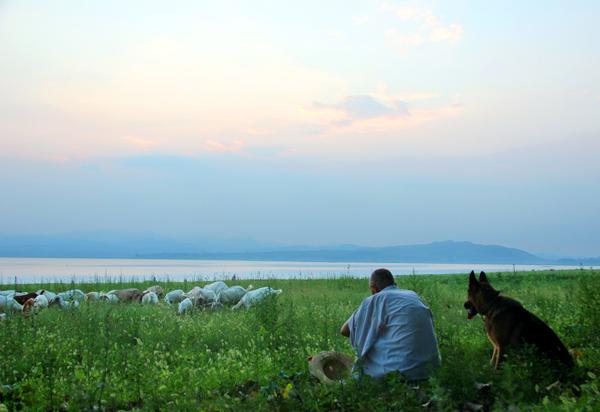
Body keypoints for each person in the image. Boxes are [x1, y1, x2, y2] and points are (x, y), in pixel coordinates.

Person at [340, 268, 441, 380]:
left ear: (374, 289)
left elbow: (344, 330)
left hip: (399, 374)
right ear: (395, 284)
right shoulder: (413, 296)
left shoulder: (376, 299)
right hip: (430, 371)